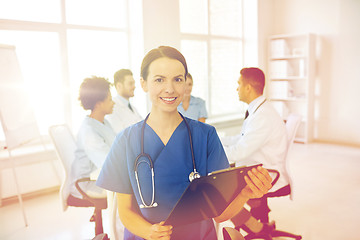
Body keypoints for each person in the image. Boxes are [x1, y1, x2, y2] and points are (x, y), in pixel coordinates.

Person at [96, 46, 273, 240]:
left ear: (185, 83)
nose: (170, 88)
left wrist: (245, 193)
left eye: (178, 79)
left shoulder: (206, 136)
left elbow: (220, 213)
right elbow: (125, 212)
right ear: (144, 84)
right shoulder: (126, 141)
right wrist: (149, 232)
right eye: (159, 79)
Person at [220, 67, 288, 236]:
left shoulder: (262, 116)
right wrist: (217, 142)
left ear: (248, 87)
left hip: (265, 172)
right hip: (257, 166)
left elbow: (239, 152)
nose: (237, 88)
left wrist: (210, 152)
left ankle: (256, 228)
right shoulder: (258, 110)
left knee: (219, 192)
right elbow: (241, 138)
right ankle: (256, 225)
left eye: (239, 84)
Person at [70, 76, 116, 199]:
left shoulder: (103, 122)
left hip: (99, 177)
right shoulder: (89, 130)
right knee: (132, 191)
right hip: (87, 183)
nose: (114, 103)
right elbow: (108, 163)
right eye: (110, 99)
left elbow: (117, 150)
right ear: (99, 104)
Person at [106, 69, 142, 133]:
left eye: (134, 83)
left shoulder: (133, 108)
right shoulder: (112, 109)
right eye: (130, 84)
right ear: (119, 86)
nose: (134, 87)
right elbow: (120, 137)